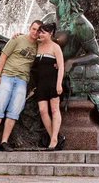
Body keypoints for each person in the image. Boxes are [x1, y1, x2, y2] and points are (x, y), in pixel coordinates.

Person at [0, 20, 42, 152]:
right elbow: (3, 57)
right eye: (33, 29)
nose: (35, 32)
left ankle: (4, 141)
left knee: (14, 110)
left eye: (38, 30)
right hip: (7, 76)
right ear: (30, 28)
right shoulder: (17, 39)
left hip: (22, 80)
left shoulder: (40, 45)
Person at [32, 22, 66, 150]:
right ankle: (54, 136)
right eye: (39, 32)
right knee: (43, 110)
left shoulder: (55, 47)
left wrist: (59, 84)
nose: (40, 34)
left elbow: (61, 66)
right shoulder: (37, 46)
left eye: (43, 32)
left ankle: (54, 140)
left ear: (50, 34)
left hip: (52, 82)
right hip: (40, 84)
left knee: (54, 110)